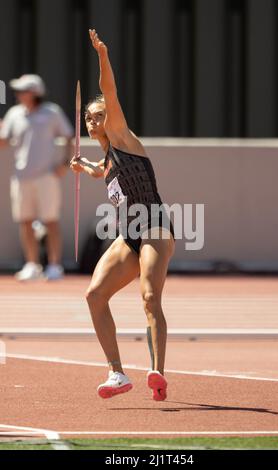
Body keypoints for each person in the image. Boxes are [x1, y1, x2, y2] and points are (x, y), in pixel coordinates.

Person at [70, 29, 175, 401]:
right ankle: (117, 373)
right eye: (89, 118)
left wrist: (102, 56)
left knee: (149, 297)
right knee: (94, 295)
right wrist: (85, 166)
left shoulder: (122, 137)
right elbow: (104, 171)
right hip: (128, 234)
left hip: (155, 227)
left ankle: (157, 372)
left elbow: (109, 92)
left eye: (97, 116)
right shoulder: (108, 158)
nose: (93, 121)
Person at [0, 75, 74, 281]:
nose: (18, 94)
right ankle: (32, 265)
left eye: (23, 90)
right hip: (21, 177)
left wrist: (65, 163)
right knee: (25, 221)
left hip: (46, 177)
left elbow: (68, 135)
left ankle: (54, 266)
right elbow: (5, 140)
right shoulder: (14, 114)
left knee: (51, 221)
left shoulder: (52, 113)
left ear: (35, 93)